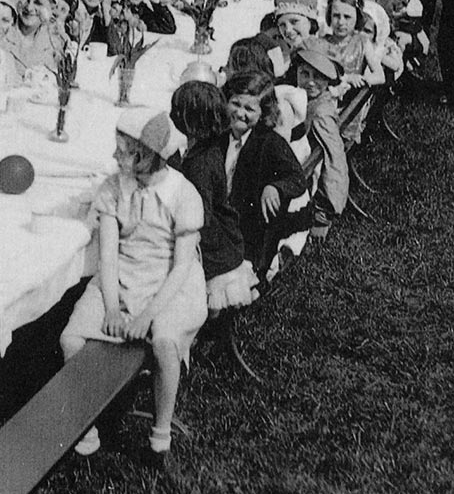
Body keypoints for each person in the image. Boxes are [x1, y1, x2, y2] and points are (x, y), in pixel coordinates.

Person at [61, 108, 205, 467]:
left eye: (123, 151)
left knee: (165, 341)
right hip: (122, 275)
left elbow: (182, 265)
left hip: (171, 281)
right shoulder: (112, 188)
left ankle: (160, 435)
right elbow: (108, 257)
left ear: (147, 156)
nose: (114, 157)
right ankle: (87, 425)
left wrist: (146, 316)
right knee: (70, 339)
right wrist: (112, 307)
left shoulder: (182, 194)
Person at [169, 81, 258, 316]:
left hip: (213, 245)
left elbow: (201, 215)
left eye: (176, 112)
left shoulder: (201, 165)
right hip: (222, 233)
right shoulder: (207, 147)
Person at [220, 71, 309, 276]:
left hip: (248, 225)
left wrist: (275, 187)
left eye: (249, 109)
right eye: (235, 104)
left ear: (263, 113)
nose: (240, 113)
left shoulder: (269, 142)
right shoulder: (222, 134)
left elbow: (297, 178)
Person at [294, 48, 348, 240]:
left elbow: (335, 157)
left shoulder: (320, 114)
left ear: (327, 81)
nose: (310, 82)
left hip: (304, 169)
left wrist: (327, 208)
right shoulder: (312, 99)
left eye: (318, 77)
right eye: (304, 74)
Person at [8, 0, 70, 75]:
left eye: (38, 3)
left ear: (51, 9)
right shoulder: (4, 31)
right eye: (26, 0)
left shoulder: (55, 41)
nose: (29, 8)